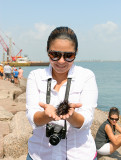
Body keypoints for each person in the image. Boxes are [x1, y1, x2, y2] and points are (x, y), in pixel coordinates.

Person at [26, 26, 98, 160]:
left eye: (68, 56)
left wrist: (71, 115)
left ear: (76, 53)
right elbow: (32, 117)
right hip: (40, 155)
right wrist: (46, 115)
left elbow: (86, 120)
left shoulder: (86, 76)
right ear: (48, 51)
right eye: (55, 54)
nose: (61, 61)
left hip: (79, 155)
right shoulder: (35, 76)